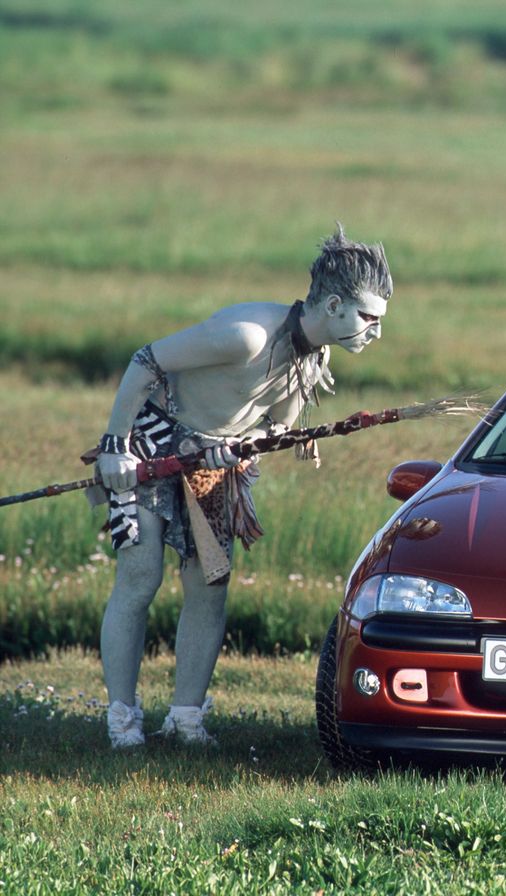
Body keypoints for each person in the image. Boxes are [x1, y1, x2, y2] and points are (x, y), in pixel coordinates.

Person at [93, 224, 391, 748]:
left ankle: (186, 719)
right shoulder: (247, 335)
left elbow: (270, 424)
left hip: (213, 466)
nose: (375, 332)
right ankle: (122, 719)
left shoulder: (313, 354)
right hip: (152, 445)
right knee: (140, 580)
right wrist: (116, 445)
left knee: (210, 588)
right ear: (335, 305)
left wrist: (276, 437)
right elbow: (144, 362)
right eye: (369, 318)